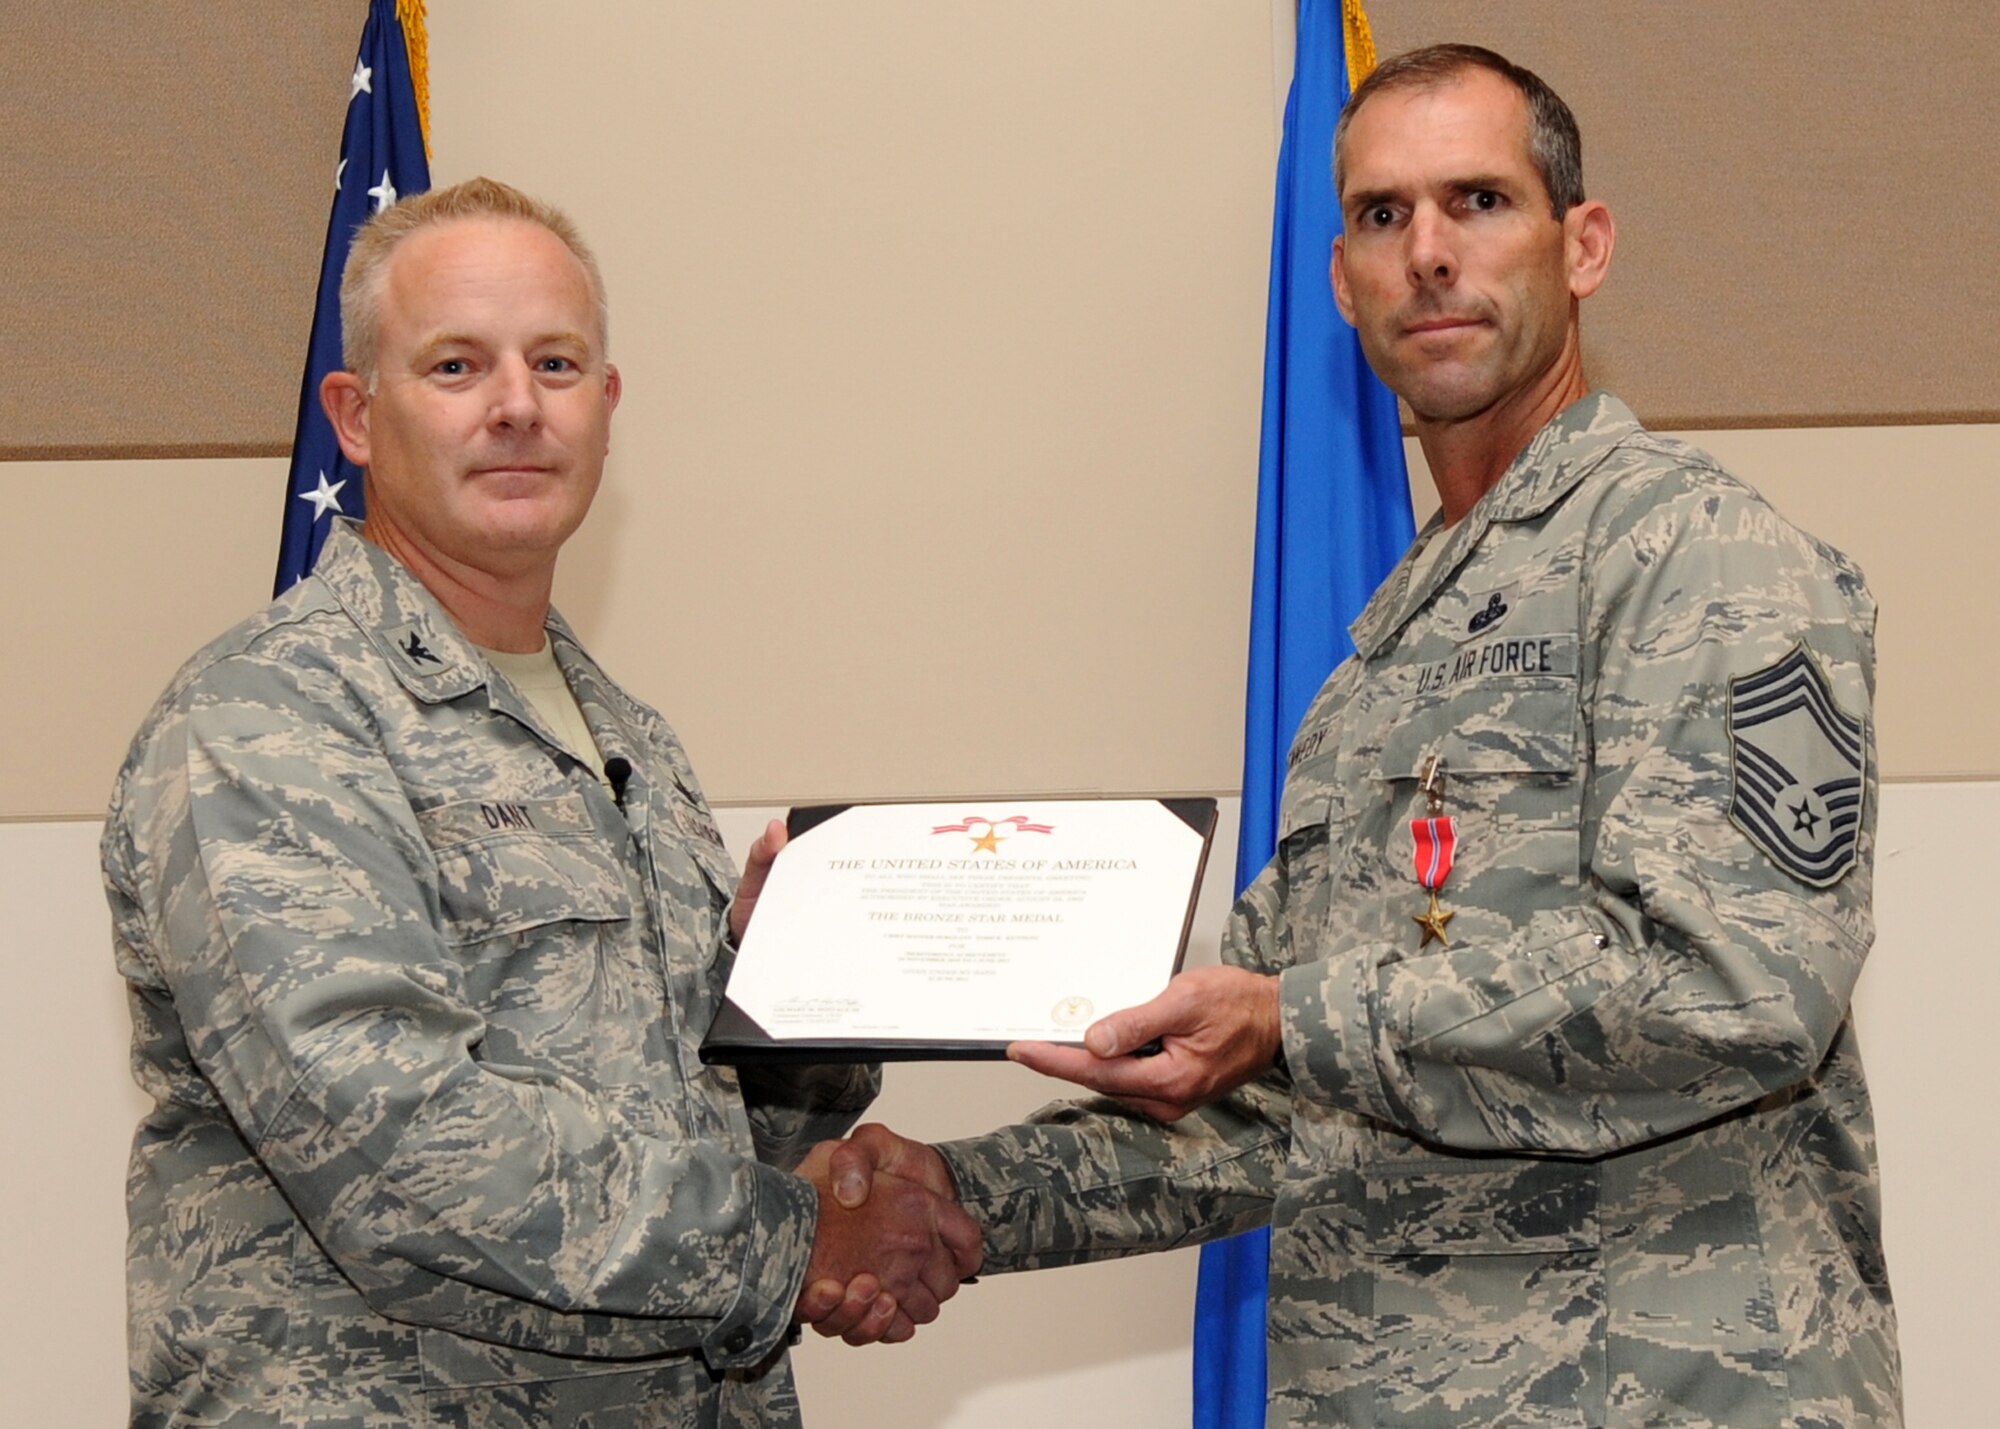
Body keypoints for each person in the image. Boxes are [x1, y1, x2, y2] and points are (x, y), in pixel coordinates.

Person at [821, 45, 1902, 1427]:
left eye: (1479, 202)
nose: (1430, 254)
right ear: (1339, 279)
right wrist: (954, 1201)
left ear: (1586, 245)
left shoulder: (1702, 561)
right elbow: (1285, 1102)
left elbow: (1737, 989)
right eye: (1385, 216)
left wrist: (1293, 1014)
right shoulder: (1378, 672)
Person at [103, 177, 978, 1428]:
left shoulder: (631, 740)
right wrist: (800, 1244)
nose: (517, 405)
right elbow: (397, 1152)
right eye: (456, 366)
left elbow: (713, 1120)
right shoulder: (267, 720)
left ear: (606, 409)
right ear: (353, 417)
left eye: (556, 363)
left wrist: (790, 993)